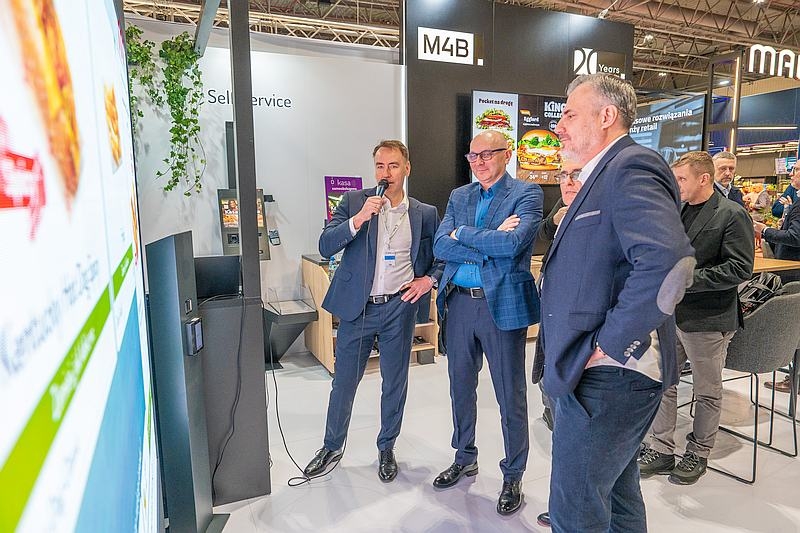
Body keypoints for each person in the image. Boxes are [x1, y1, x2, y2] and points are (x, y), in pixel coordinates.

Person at [534, 73, 695, 532]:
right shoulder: (600, 177)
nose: (559, 126)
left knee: (576, 512)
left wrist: (610, 343)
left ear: (607, 116)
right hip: (598, 374)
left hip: (608, 376)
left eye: (569, 114)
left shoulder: (629, 166)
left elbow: (670, 263)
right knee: (617, 499)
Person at [303, 140, 443, 482]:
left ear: (407, 168)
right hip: (358, 308)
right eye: (380, 166)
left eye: (393, 165)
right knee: (344, 382)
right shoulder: (354, 201)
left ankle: (386, 448)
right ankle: (331, 446)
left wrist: (428, 280)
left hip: (399, 307)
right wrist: (359, 219)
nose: (386, 173)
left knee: (395, 382)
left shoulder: (424, 213)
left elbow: (440, 257)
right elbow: (326, 244)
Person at [432, 129, 542, 516]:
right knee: (460, 388)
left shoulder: (527, 193)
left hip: (501, 307)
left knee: (510, 396)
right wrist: (485, 242)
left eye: (487, 154)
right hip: (459, 304)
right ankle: (464, 457)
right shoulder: (459, 196)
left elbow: (512, 246)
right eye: (473, 156)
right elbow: (440, 245)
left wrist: (463, 235)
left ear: (506, 154)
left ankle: (513, 475)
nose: (478, 162)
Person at [638, 151, 754, 485]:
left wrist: (686, 278)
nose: (676, 185)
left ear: (704, 178)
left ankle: (698, 452)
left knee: (707, 391)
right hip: (670, 315)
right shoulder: (677, 210)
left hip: (708, 319)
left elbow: (739, 268)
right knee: (665, 384)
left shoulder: (731, 214)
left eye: (681, 179)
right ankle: (661, 447)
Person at [534, 161, 583, 431]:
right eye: (563, 175)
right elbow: (542, 232)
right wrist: (555, 220)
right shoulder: (563, 203)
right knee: (547, 351)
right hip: (552, 284)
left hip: (579, 299)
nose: (567, 182)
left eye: (575, 175)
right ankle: (550, 408)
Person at [755, 165, 800, 394]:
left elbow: (795, 237)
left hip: (793, 269)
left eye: (797, 170)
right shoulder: (794, 197)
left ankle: (795, 379)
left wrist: (764, 231)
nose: (792, 174)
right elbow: (776, 210)